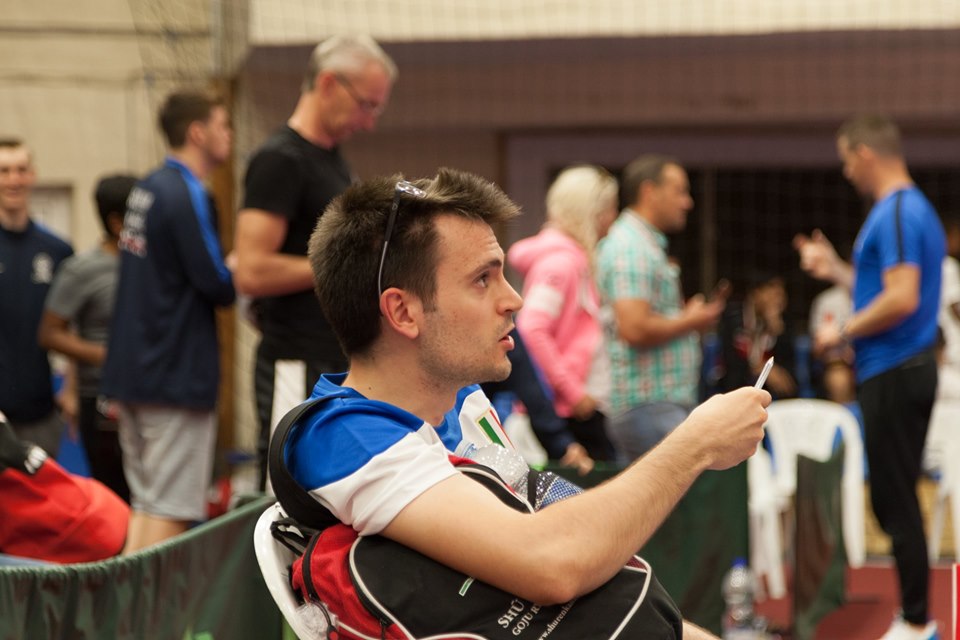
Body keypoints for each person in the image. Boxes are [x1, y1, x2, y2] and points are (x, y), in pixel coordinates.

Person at [280, 168, 770, 639]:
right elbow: (553, 563)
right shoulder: (342, 436)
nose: (513, 299)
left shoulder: (462, 400)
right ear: (403, 312)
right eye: (483, 279)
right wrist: (698, 443)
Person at [795, 114, 942, 640]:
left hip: (897, 369)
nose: (845, 172)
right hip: (897, 369)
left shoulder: (899, 210)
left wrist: (841, 331)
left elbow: (901, 297)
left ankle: (918, 621)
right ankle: (916, 616)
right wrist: (835, 269)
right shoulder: (902, 210)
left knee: (895, 500)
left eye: (845, 160)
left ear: (864, 154)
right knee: (891, 497)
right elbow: (883, 287)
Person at [233, 35, 397, 490]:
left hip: (332, 357)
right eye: (366, 105)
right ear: (328, 84)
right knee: (285, 490)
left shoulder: (334, 163)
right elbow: (251, 270)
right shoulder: (279, 161)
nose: (368, 122)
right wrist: (345, 262)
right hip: (294, 358)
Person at [100, 90, 235, 552]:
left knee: (148, 505)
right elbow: (217, 283)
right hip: (172, 376)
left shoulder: (147, 187)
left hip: (136, 373)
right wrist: (239, 269)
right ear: (198, 133)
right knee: (171, 509)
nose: (229, 135)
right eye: (222, 125)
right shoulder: (187, 191)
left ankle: (126, 601)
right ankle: (139, 603)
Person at [596, 154, 727, 460]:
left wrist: (688, 318)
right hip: (647, 404)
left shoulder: (641, 243)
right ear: (649, 192)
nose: (688, 202)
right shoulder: (631, 247)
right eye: (679, 191)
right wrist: (690, 320)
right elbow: (634, 327)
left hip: (654, 405)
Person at [507, 165, 620, 469]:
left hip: (575, 409)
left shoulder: (573, 261)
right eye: (608, 209)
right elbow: (531, 329)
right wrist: (573, 392)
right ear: (590, 213)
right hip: (567, 414)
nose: (612, 219)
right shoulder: (561, 265)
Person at [38, 174, 138, 502]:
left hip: (147, 392)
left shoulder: (151, 266)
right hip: (100, 398)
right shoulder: (81, 270)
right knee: (112, 495)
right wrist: (105, 355)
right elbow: (50, 333)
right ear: (117, 222)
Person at [0, 138, 74, 458]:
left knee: (42, 492)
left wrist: (71, 389)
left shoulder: (57, 250)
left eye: (21, 170)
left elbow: (73, 325)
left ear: (33, 175)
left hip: (41, 413)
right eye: (4, 171)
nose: (13, 179)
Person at [716, 271, 797, 398]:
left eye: (781, 293)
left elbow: (788, 373)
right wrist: (760, 368)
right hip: (737, 388)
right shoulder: (733, 318)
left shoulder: (784, 322)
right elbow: (732, 365)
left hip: (770, 392)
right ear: (755, 293)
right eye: (773, 293)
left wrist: (777, 331)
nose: (779, 299)